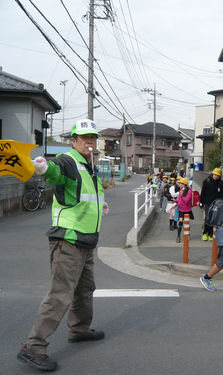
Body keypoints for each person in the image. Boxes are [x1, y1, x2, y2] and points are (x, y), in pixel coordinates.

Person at [17, 119, 108, 371]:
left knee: (85, 288)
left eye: (93, 137)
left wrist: (102, 204)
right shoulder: (69, 161)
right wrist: (44, 167)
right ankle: (33, 347)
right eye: (84, 137)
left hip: (87, 239)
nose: (90, 141)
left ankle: (78, 329)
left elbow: (89, 195)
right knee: (61, 294)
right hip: (68, 238)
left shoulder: (89, 166)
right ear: (74, 141)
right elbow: (54, 170)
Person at [200, 168, 223, 241]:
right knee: (207, 218)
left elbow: (222, 194)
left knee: (213, 218)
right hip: (207, 202)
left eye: (218, 175)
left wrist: (222, 203)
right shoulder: (206, 181)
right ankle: (204, 233)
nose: (216, 177)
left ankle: (210, 234)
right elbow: (203, 192)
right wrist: (201, 202)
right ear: (212, 174)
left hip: (216, 203)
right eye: (215, 175)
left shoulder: (221, 183)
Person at [173, 177, 193, 243]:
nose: (179, 185)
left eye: (181, 183)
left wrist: (182, 195)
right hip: (181, 209)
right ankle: (178, 236)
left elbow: (186, 200)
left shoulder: (189, 191)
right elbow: (180, 201)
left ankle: (187, 234)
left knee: (186, 223)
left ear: (184, 184)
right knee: (180, 222)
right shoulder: (180, 191)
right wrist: (176, 201)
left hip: (187, 210)